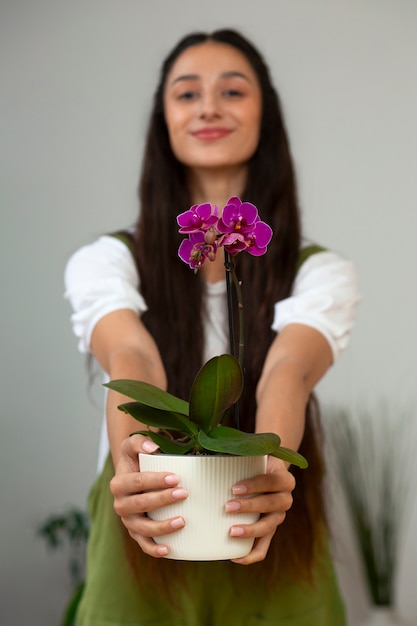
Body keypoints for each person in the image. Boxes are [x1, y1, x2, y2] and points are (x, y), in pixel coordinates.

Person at [64, 28, 359, 626]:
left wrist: (270, 467)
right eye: (186, 93)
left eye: (232, 90)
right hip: (152, 498)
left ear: (264, 115)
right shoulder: (108, 261)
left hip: (265, 509)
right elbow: (132, 361)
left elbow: (287, 371)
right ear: (163, 120)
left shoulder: (320, 270)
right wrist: (133, 460)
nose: (208, 107)